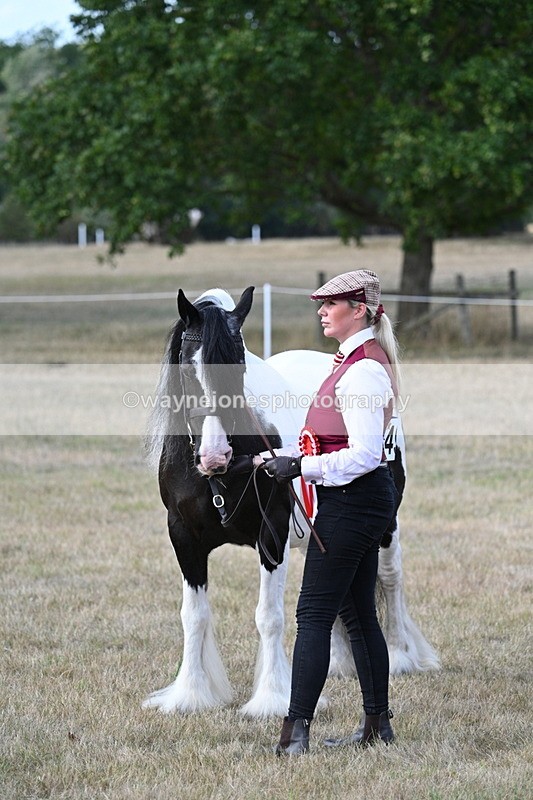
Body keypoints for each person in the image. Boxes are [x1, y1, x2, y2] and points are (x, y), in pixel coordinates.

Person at [260, 269, 401, 755]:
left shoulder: (362, 369)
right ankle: (376, 727)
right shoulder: (352, 361)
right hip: (358, 501)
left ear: (358, 309)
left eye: (331, 304)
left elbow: (364, 455)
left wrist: (301, 466)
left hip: (353, 502)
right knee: (359, 614)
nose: (321, 311)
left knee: (314, 615)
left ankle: (294, 733)